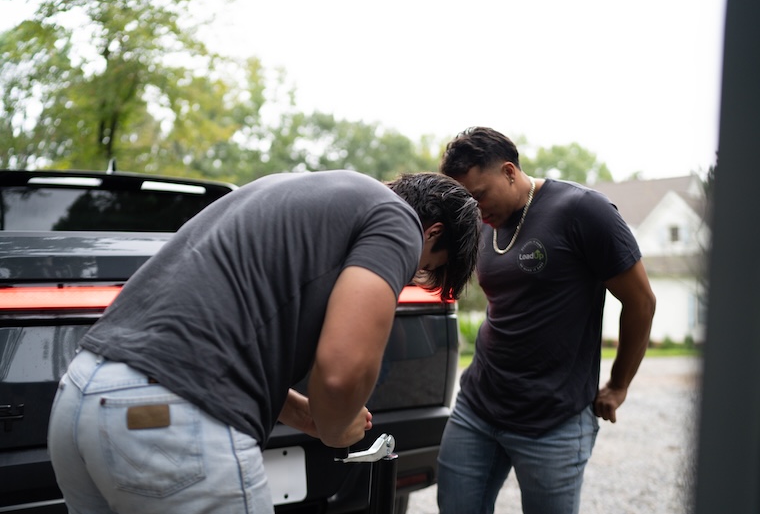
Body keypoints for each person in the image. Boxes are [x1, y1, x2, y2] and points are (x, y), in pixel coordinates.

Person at [47, 169, 481, 514]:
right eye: (423, 268)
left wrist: (305, 416)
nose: (407, 273)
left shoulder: (296, 194)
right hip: (168, 419)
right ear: (433, 233)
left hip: (79, 401)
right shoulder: (398, 219)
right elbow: (341, 372)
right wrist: (335, 428)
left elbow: (218, 346)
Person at [437, 127, 656, 514]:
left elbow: (641, 302)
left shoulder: (582, 210)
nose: (474, 209)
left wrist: (619, 384)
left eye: (478, 195)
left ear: (508, 171)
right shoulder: (482, 223)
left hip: (552, 421)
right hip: (478, 406)